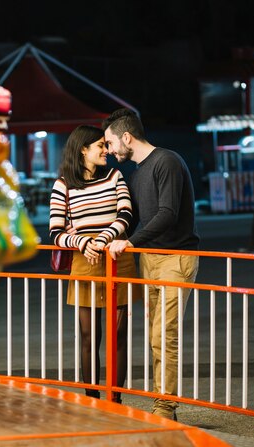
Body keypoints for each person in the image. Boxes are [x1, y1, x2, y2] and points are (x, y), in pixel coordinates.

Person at [103, 108, 200, 420]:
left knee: (165, 333)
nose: (109, 150)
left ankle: (165, 406)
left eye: (110, 142)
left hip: (175, 257)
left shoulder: (166, 161)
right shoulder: (138, 171)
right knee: (156, 333)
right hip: (150, 258)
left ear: (127, 137)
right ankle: (162, 400)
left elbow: (167, 213)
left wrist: (130, 242)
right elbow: (133, 219)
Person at [49, 125, 139, 402]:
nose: (106, 151)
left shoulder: (115, 176)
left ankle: (116, 400)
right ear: (82, 150)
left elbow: (125, 214)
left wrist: (100, 240)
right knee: (89, 336)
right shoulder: (63, 184)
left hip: (116, 255)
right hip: (84, 260)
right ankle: (92, 398)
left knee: (119, 334)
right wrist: (83, 243)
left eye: (105, 145)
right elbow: (55, 233)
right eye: (100, 146)